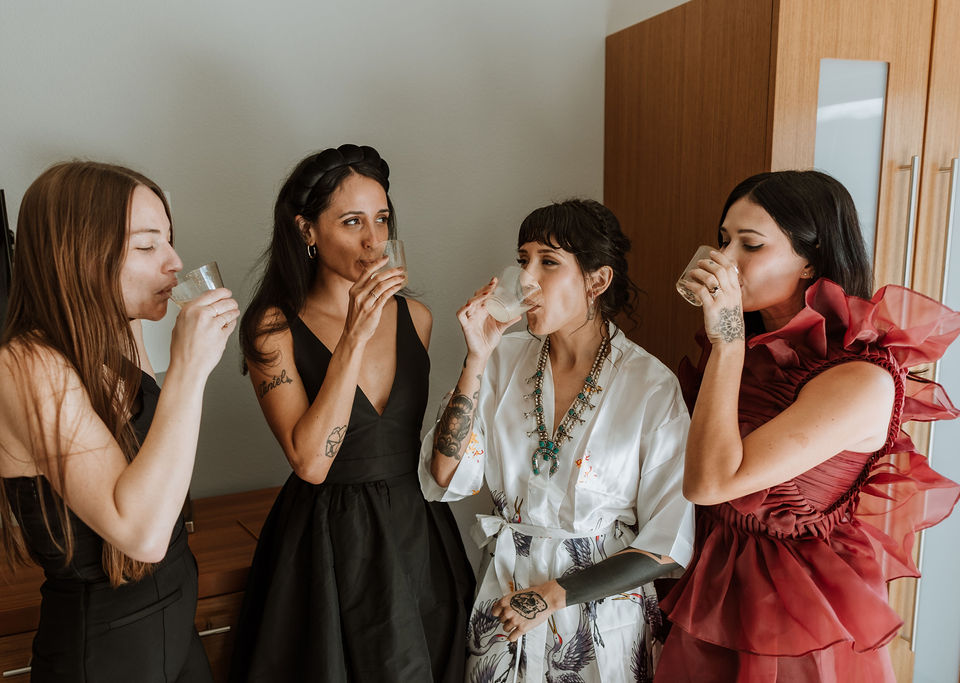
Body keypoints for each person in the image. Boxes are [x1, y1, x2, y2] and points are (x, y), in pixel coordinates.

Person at [654, 170, 960, 682]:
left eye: (749, 245)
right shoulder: (750, 351)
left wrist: (727, 340)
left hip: (793, 616)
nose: (724, 261)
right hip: (710, 584)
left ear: (811, 262)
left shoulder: (861, 380)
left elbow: (708, 484)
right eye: (723, 240)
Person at [0, 161, 239, 682]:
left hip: (174, 628)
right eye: (147, 246)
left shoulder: (119, 334)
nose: (174, 262)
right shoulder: (28, 366)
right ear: (77, 253)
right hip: (103, 655)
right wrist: (190, 369)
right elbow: (141, 536)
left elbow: (155, 473)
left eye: (169, 241)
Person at [420, 199, 695, 682]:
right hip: (503, 600)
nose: (526, 277)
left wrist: (550, 596)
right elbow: (445, 476)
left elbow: (667, 542)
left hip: (601, 617)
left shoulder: (651, 386)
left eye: (548, 261)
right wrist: (475, 362)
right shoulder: (502, 360)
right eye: (523, 259)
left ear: (597, 280)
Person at [228, 144, 474, 683]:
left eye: (382, 220)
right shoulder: (271, 329)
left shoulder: (418, 317)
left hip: (417, 530)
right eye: (352, 221)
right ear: (306, 230)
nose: (373, 241)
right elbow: (311, 461)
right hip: (328, 541)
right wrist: (354, 336)